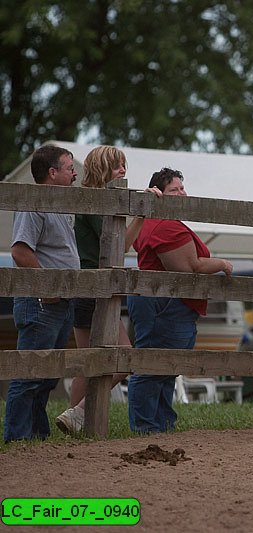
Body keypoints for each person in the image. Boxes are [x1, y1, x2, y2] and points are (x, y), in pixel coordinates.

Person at [56, 146, 162, 436]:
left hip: (86, 287)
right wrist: (140, 216)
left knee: (88, 360)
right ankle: (79, 414)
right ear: (104, 168)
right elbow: (117, 249)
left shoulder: (94, 200)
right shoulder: (97, 202)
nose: (123, 171)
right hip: (96, 288)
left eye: (124, 165)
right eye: (117, 166)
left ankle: (74, 419)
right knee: (123, 356)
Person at [126, 168, 233, 433]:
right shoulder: (166, 226)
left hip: (158, 301)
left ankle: (159, 423)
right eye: (175, 190)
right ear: (159, 194)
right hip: (164, 303)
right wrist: (221, 263)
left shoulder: (153, 223)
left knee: (164, 366)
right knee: (153, 365)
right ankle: (146, 426)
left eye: (182, 188)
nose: (182, 194)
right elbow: (189, 267)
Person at [4, 145, 80, 443]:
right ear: (52, 173)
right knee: (30, 372)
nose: (74, 173)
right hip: (41, 302)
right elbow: (20, 251)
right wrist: (47, 287)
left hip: (58, 303)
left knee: (47, 375)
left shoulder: (59, 206)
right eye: (69, 168)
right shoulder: (34, 203)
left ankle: (35, 434)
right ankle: (18, 437)